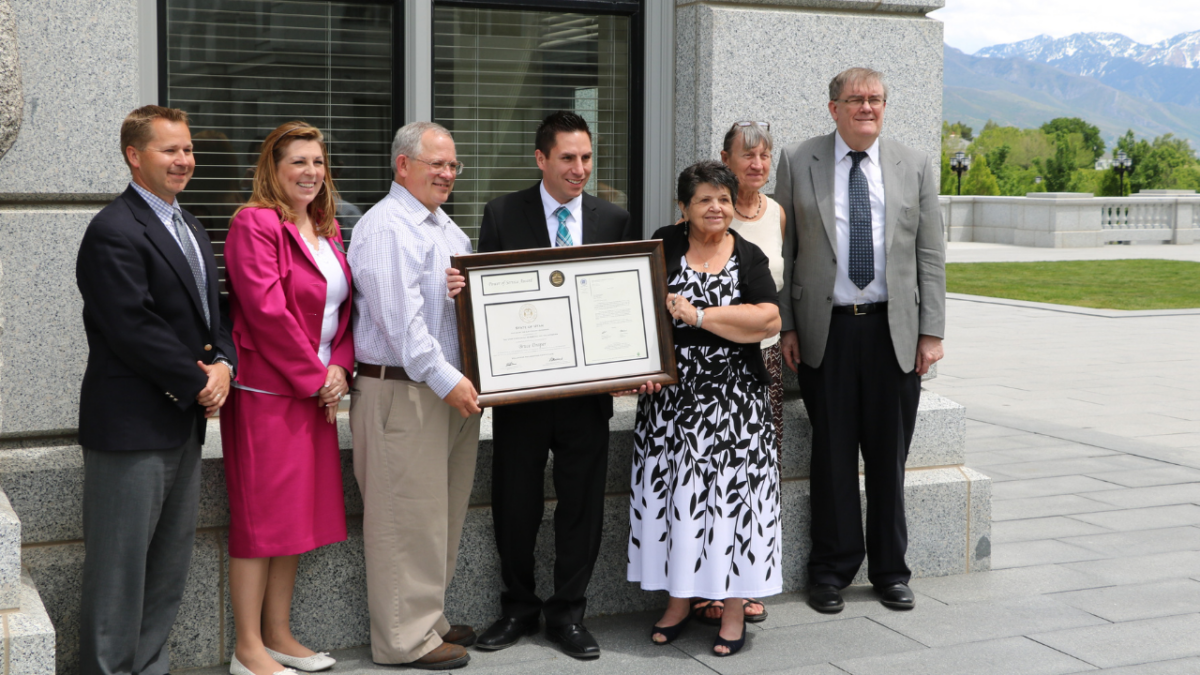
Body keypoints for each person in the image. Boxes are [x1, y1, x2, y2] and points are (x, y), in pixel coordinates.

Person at [466, 111, 639, 660]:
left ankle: (568, 613)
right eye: (568, 158)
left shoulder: (613, 219)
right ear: (541, 158)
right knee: (515, 502)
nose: (580, 169)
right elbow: (486, 303)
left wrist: (626, 361)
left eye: (587, 158)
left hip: (586, 397)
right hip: (521, 395)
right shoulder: (501, 214)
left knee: (581, 506)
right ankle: (517, 608)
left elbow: (620, 299)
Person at [775, 67, 946, 613]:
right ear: (834, 108)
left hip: (892, 332)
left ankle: (891, 571)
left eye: (875, 99)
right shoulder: (800, 160)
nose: (867, 107)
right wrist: (787, 325)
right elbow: (784, 253)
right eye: (856, 99)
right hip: (827, 331)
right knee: (831, 456)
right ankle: (830, 571)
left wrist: (932, 331)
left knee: (888, 457)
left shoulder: (913, 164)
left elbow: (929, 254)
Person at [75, 105, 235, 675]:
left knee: (168, 569)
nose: (185, 160)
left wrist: (226, 368)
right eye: (171, 150)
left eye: (188, 149)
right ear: (134, 156)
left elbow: (214, 316)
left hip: (181, 424)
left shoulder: (190, 224)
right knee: (119, 574)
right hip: (130, 429)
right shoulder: (113, 230)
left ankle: (148, 668)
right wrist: (201, 383)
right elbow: (132, 326)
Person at [628, 160, 781, 658]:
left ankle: (733, 610)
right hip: (670, 405)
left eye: (723, 198)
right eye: (704, 200)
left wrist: (698, 315)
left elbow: (767, 320)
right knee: (679, 501)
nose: (715, 208)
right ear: (683, 208)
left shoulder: (750, 255)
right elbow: (639, 310)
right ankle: (678, 602)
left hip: (735, 406)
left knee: (734, 505)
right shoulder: (663, 245)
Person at [220, 121, 354, 675]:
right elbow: (265, 312)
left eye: (318, 162)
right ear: (272, 169)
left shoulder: (328, 226)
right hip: (268, 396)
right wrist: (316, 377)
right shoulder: (255, 224)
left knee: (294, 520)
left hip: (315, 393)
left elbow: (347, 309)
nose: (311, 173)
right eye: (298, 162)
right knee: (261, 523)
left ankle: (277, 633)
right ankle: (247, 649)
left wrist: (341, 367)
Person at [348, 121, 482, 671]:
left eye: (453, 166)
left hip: (448, 391)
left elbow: (456, 313)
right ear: (404, 165)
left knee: (439, 515)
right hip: (403, 391)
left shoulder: (446, 229)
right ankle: (404, 640)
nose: (447, 174)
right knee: (404, 519)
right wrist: (451, 382)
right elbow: (402, 326)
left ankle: (430, 618)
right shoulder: (386, 227)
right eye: (437, 165)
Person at [688, 120, 787, 629]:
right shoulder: (707, 215)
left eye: (765, 156)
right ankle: (707, 586)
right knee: (706, 480)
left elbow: (777, 296)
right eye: (747, 156)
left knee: (749, 480)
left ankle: (743, 584)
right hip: (703, 368)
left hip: (761, 362)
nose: (757, 165)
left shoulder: (778, 215)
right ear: (725, 160)